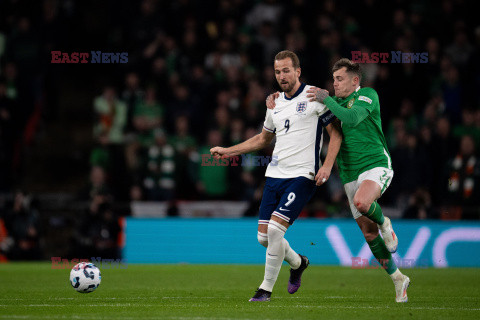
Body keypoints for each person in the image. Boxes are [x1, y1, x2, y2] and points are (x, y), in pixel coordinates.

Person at [266, 58, 410, 303]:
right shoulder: (333, 105)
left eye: (340, 79)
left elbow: (352, 119)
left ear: (355, 80)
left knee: (363, 203)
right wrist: (275, 99)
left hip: (375, 164)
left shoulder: (367, 95)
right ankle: (398, 278)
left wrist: (326, 98)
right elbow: (299, 106)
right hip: (349, 174)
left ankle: (386, 223)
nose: (335, 84)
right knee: (368, 234)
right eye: (333, 79)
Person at [210, 50, 343, 301]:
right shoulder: (274, 104)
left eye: (286, 70)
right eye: (277, 71)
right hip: (275, 175)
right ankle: (298, 262)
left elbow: (336, 134)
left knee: (274, 231)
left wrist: (326, 166)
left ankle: (265, 290)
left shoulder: (315, 96)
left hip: (303, 175)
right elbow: (263, 139)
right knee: (263, 237)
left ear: (298, 71)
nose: (282, 75)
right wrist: (229, 151)